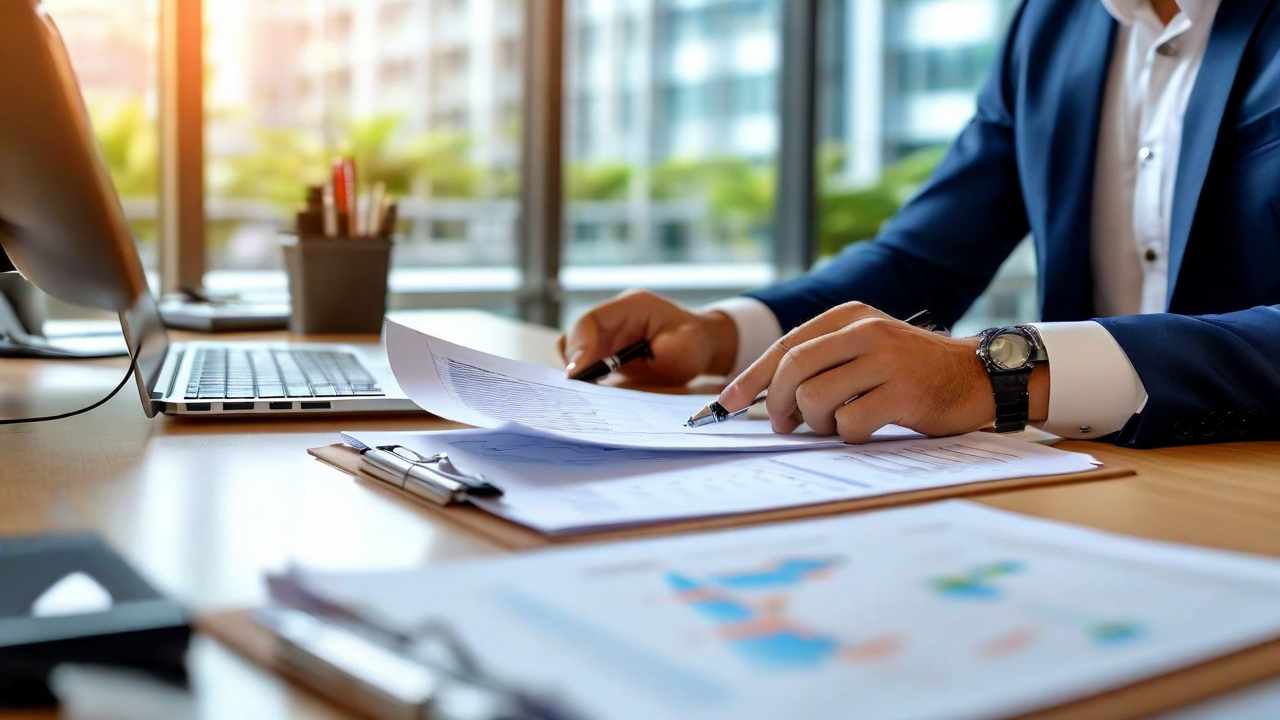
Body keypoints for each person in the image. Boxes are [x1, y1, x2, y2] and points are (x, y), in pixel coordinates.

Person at [561, 0, 1280, 449]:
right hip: (1096, 478)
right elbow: (925, 258)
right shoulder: (1050, 23)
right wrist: (719, 333)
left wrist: (1004, 372)